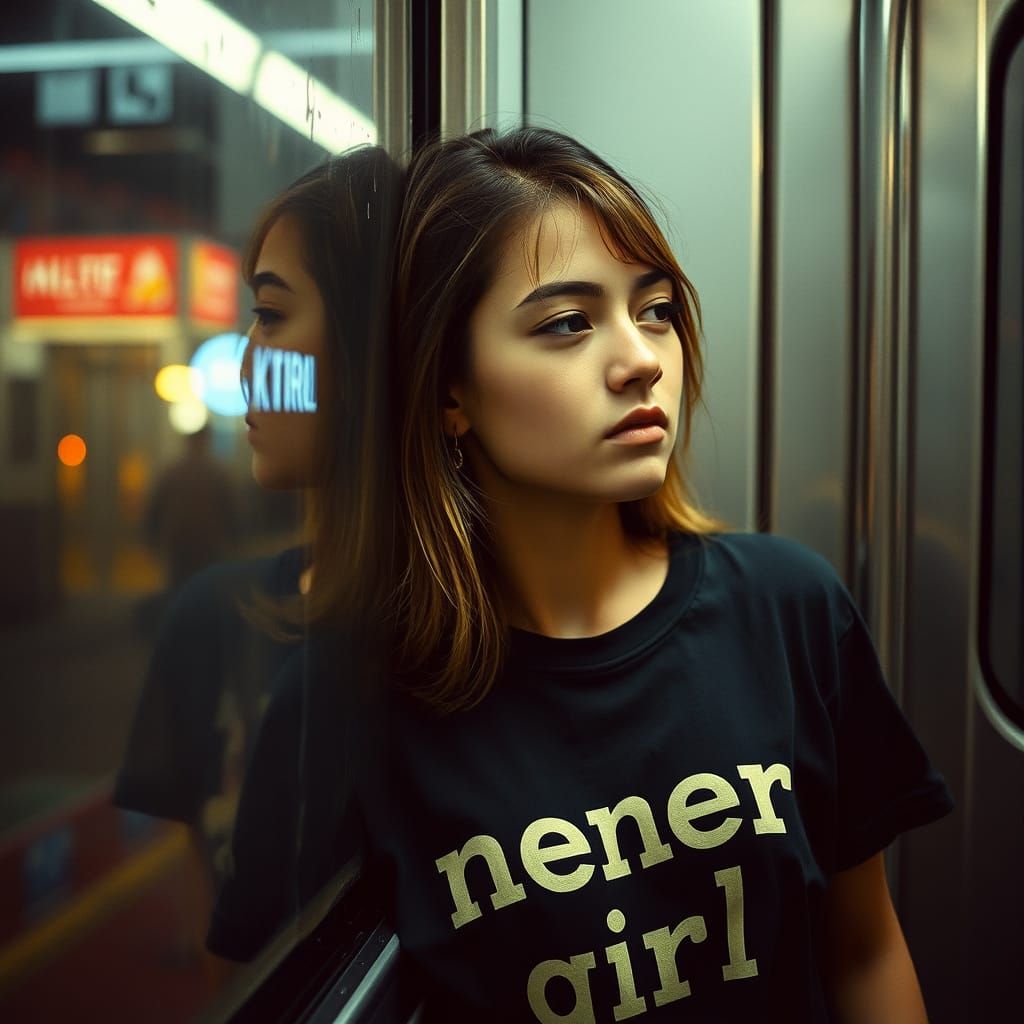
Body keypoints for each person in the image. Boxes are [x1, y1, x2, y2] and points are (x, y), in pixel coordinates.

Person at [219, 127, 953, 1022]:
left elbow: (865, 949)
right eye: (567, 323)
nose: (642, 357)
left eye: (653, 310)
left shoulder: (786, 605)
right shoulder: (347, 702)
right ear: (450, 391)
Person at [114, 144, 404, 965]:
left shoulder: (470, 639)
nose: (246, 361)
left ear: (369, 345)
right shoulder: (212, 616)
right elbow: (199, 935)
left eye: (272, 317)